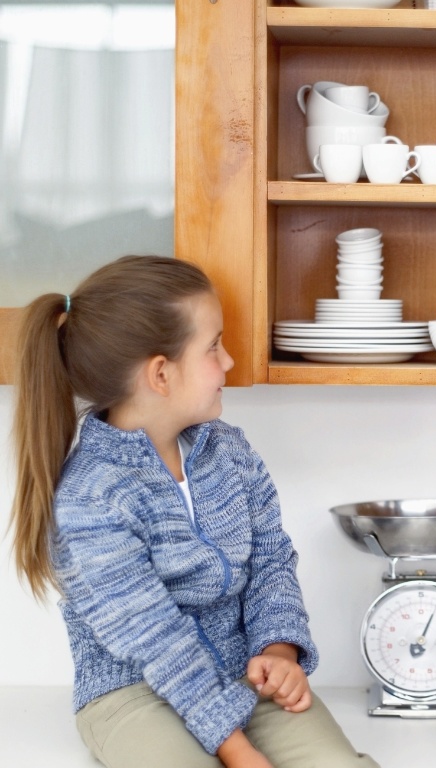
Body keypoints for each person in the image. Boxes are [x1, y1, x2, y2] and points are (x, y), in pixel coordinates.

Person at [9, 255, 378, 768]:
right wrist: (238, 751)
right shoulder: (92, 497)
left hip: (245, 673)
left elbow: (271, 561)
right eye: (214, 347)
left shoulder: (230, 452)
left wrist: (278, 650)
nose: (228, 361)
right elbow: (155, 639)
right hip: (133, 692)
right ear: (161, 373)